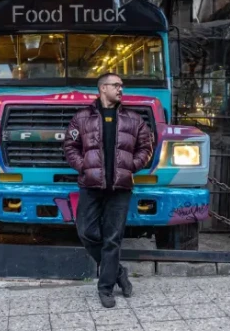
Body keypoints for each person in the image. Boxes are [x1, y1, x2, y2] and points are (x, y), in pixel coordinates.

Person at [64, 73, 154, 308]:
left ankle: (105, 289)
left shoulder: (134, 119)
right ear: (103, 88)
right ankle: (118, 272)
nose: (121, 89)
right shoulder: (81, 118)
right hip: (90, 185)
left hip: (120, 187)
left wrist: (131, 166)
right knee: (86, 232)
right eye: (116, 85)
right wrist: (84, 166)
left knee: (112, 239)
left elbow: (146, 146)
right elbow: (70, 146)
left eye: (122, 86)